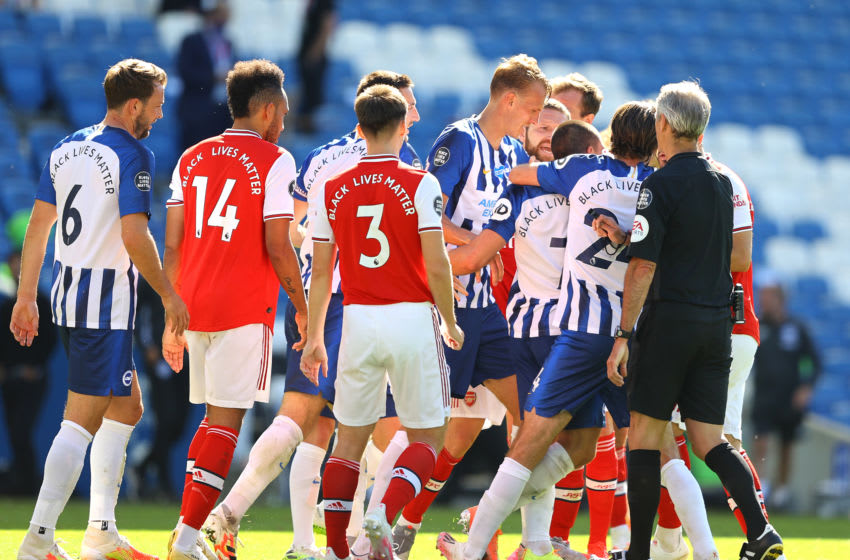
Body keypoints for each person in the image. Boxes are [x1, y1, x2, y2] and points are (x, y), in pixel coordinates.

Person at [199, 69, 422, 560]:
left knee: (311, 422)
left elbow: (296, 229)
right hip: (360, 302)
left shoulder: (321, 157)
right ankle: (369, 542)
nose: (415, 116)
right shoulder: (399, 160)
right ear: (384, 109)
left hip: (309, 296)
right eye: (408, 106)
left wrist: (318, 244)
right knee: (383, 430)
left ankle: (281, 535)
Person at [436, 100, 657, 560]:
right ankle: (633, 544)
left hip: (550, 328)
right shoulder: (646, 187)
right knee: (621, 443)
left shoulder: (550, 179)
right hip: (606, 329)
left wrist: (428, 267)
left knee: (551, 440)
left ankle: (518, 536)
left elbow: (478, 253)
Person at [10, 59, 185, 560]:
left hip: (69, 297)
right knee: (79, 423)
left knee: (127, 407)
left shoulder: (67, 147)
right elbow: (135, 234)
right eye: (155, 104)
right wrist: (170, 295)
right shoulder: (133, 153)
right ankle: (38, 540)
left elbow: (38, 226)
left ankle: (101, 533)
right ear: (134, 106)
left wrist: (27, 297)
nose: (160, 111)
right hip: (104, 306)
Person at [605, 81, 782, 560]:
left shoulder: (657, 185)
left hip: (669, 323)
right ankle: (761, 531)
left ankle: (639, 551)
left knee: (643, 436)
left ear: (663, 124)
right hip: (716, 326)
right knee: (710, 440)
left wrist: (624, 334)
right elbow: (731, 252)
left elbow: (643, 267)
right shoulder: (725, 182)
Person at [389, 55, 549, 553]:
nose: (535, 118)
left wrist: (488, 249)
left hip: (489, 311)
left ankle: (525, 537)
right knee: (431, 429)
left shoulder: (507, 155)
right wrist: (477, 246)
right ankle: (381, 518)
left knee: (534, 415)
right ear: (509, 100)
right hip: (450, 308)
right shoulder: (459, 141)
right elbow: (424, 214)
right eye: (534, 108)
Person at [300, 84, 463, 560]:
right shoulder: (420, 182)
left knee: (347, 441)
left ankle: (334, 550)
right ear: (401, 125)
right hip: (411, 317)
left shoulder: (331, 186)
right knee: (428, 436)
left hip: (356, 319)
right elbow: (437, 265)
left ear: (360, 126)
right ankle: (383, 512)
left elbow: (323, 271)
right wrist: (450, 322)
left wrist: (314, 337)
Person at [162, 59, 307, 560]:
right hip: (244, 307)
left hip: (193, 305)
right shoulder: (276, 160)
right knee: (226, 424)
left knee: (210, 422)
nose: (285, 122)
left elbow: (174, 245)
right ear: (266, 110)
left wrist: (170, 312)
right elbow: (278, 245)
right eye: (283, 112)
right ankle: (186, 540)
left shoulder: (191, 157)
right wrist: (303, 307)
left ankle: (185, 532)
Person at [490, 98, 571, 315]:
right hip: (497, 320)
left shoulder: (582, 191)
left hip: (559, 321)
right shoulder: (500, 184)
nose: (552, 137)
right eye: (543, 128)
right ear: (522, 134)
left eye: (560, 131)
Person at [751, 277, 820, 510]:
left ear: (779, 299)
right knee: (761, 439)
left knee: (786, 444)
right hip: (763, 395)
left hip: (788, 397)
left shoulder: (796, 328)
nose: (763, 301)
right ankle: (762, 487)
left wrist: (805, 387)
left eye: (767, 297)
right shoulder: (758, 326)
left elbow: (814, 361)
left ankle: (782, 490)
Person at [0, 245, 57, 496]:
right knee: (14, 433)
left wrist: (35, 367)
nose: (17, 269)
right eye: (14, 264)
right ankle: (22, 484)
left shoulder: (43, 303)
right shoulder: (4, 305)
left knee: (22, 430)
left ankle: (30, 486)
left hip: (34, 380)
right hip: (10, 380)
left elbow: (50, 340)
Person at [133, 276, 192, 500]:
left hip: (186, 358)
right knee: (166, 420)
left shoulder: (192, 274)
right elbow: (141, 315)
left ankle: (144, 465)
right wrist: (147, 346)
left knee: (179, 424)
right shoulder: (153, 277)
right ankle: (165, 483)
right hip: (160, 357)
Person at [176, 0, 235, 151]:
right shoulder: (191, 41)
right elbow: (186, 72)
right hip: (197, 111)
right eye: (219, 15)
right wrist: (214, 77)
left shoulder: (228, 42)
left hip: (223, 112)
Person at [295, 0, 337, 133]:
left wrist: (316, 51)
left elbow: (328, 25)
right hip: (306, 52)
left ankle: (309, 130)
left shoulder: (325, 2)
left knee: (312, 94)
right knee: (304, 92)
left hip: (315, 54)